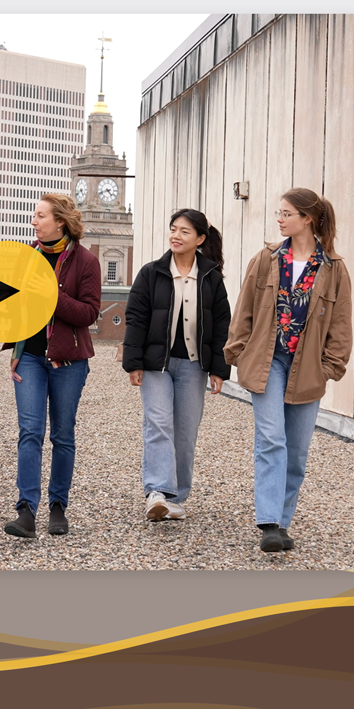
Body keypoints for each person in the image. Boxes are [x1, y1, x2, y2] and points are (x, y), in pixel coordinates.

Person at [224, 188, 353, 553]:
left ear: (306, 219)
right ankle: (267, 522)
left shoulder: (333, 268)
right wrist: (236, 353)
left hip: (308, 367)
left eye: (285, 213)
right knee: (271, 439)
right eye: (278, 213)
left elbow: (341, 324)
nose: (279, 219)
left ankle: (282, 520)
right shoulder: (266, 260)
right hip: (268, 361)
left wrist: (329, 367)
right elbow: (245, 307)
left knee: (296, 451)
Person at [3, 193, 102, 538]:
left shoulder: (86, 261)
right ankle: (26, 510)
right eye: (35, 216)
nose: (34, 221)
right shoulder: (25, 258)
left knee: (63, 435)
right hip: (29, 356)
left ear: (59, 221)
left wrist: (49, 293)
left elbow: (89, 313)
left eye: (40, 216)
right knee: (30, 432)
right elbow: (10, 306)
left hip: (69, 360)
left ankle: (58, 505)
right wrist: (13, 346)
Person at [123, 209, 231, 523]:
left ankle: (176, 497)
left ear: (200, 239)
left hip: (194, 366)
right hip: (157, 364)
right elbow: (136, 318)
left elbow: (222, 325)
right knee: (158, 424)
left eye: (185, 231)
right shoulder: (151, 273)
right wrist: (133, 362)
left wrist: (219, 369)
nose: (176, 235)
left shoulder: (210, 277)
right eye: (173, 229)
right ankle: (158, 492)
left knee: (185, 433)